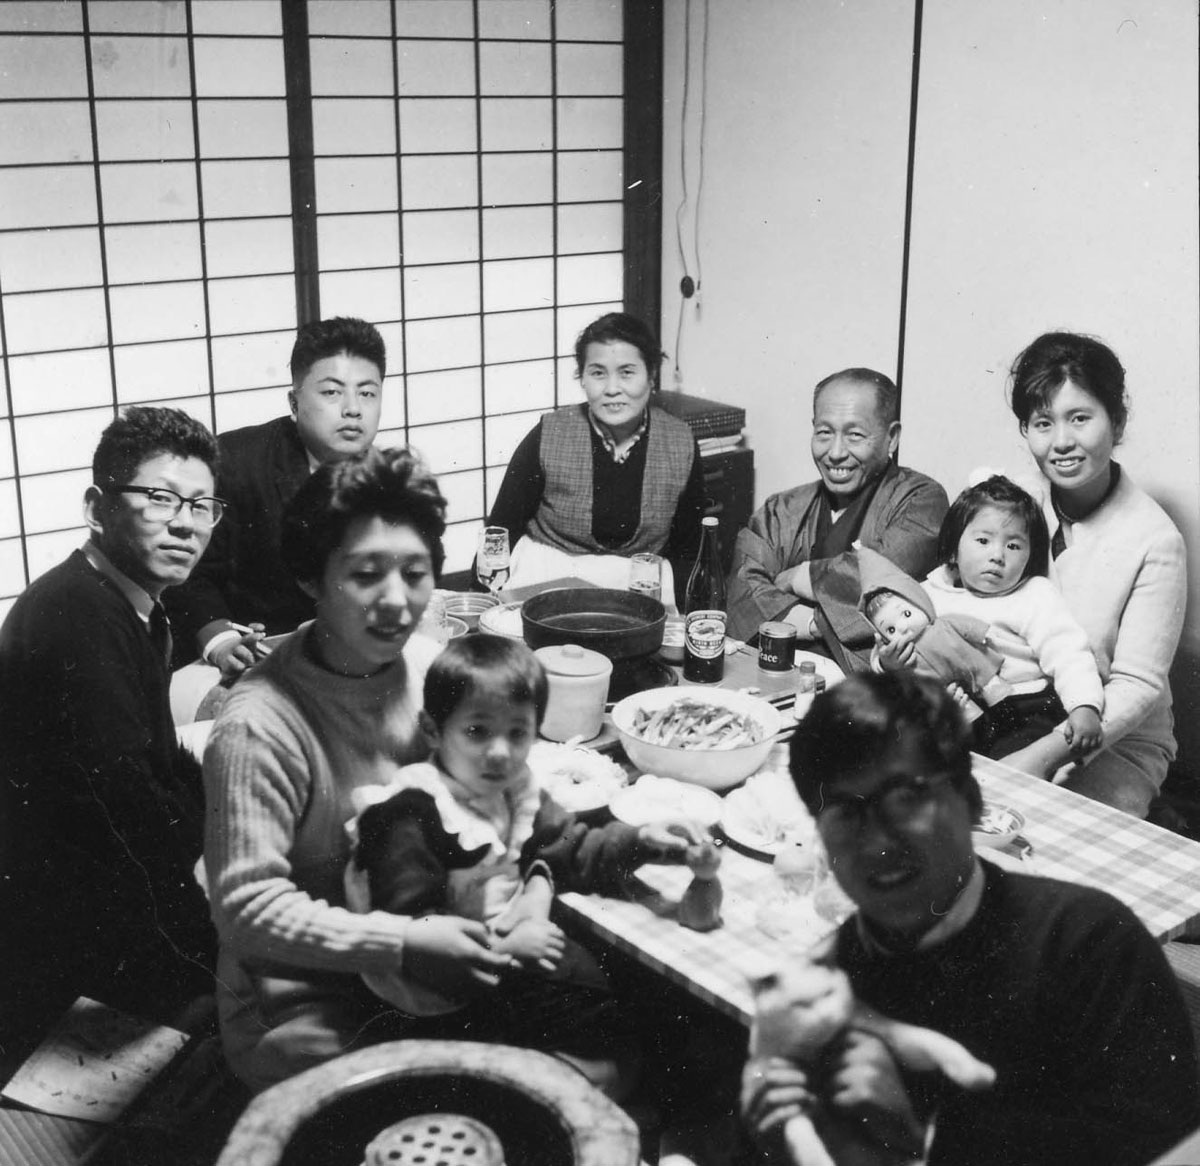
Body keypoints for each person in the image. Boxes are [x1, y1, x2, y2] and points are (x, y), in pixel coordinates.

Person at [741, 672, 1199, 1166]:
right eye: (847, 813)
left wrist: (924, 1131)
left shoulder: (1090, 942)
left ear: (971, 801)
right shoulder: (828, 978)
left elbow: (1162, 1146)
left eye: (906, 798)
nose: (877, 841)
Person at [203, 447, 505, 1091]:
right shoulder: (258, 723)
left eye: (415, 573)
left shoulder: (427, 668)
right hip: (302, 1002)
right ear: (311, 579)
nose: (396, 601)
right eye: (366, 574)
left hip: (425, 961)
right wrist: (401, 943)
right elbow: (246, 910)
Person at [345, 633, 704, 1097]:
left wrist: (643, 840)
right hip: (429, 997)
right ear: (433, 730)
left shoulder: (515, 790)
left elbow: (571, 846)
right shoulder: (411, 813)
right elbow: (412, 933)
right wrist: (504, 944)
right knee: (512, 1082)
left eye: (517, 733)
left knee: (632, 1025)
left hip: (499, 966)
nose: (500, 752)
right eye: (477, 731)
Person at [0, 406, 220, 1032]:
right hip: (66, 924)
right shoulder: (74, 617)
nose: (185, 524)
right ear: (98, 509)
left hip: (100, 879)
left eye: (202, 505)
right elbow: (125, 807)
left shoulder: (122, 598)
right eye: (161, 499)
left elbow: (156, 762)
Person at [998, 332, 1187, 817]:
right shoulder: (1010, 501)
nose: (1061, 442)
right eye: (1043, 423)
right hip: (1012, 710)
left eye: (1080, 418)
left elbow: (1137, 685)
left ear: (1117, 422)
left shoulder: (1155, 539)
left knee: (1043, 832)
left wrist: (1045, 754)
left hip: (1115, 738)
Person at [166, 316, 386, 678]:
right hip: (250, 660)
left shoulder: (388, 475)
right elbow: (187, 573)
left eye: (367, 393)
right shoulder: (234, 461)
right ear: (294, 403)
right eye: (332, 392)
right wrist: (221, 641)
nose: (353, 409)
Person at [864, 476, 1105, 758]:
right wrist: (887, 663)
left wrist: (1084, 705)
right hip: (954, 707)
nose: (997, 555)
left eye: (1013, 546)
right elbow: (889, 636)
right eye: (983, 541)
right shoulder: (928, 593)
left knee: (1012, 758)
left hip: (1022, 705)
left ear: (1031, 555)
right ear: (953, 549)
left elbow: (1068, 654)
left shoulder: (1035, 594)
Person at [726, 368, 948, 670]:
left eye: (855, 435)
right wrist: (815, 624)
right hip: (776, 669)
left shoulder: (921, 500)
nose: (836, 452)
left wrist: (800, 576)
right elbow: (743, 586)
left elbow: (881, 576)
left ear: (892, 437)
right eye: (824, 433)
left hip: (874, 683)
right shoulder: (783, 509)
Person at [484, 311, 706, 607]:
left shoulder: (680, 441)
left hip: (640, 587)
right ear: (583, 378)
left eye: (627, 372)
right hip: (545, 578)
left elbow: (689, 549)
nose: (612, 389)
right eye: (598, 373)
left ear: (651, 375)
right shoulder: (549, 432)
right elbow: (500, 530)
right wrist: (482, 605)